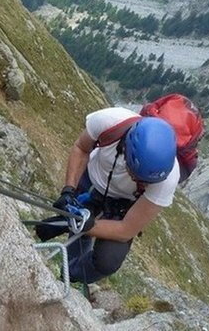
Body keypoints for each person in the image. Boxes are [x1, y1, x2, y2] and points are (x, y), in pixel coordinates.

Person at [36, 106, 179, 284]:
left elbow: (126, 230)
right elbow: (81, 148)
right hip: (92, 183)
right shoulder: (110, 121)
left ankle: (69, 277)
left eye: (141, 179)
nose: (134, 178)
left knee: (108, 260)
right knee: (62, 223)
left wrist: (88, 225)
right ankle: (49, 232)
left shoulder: (166, 179)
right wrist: (69, 190)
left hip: (123, 207)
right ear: (126, 148)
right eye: (133, 172)